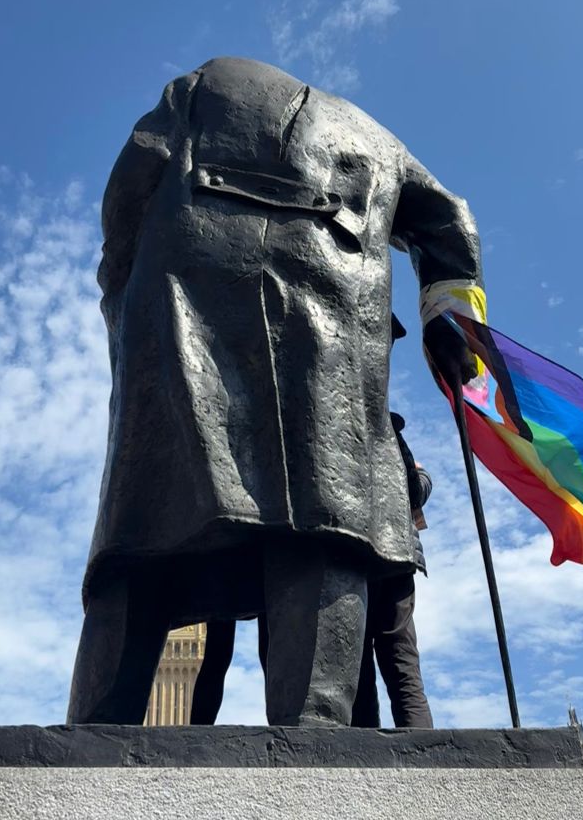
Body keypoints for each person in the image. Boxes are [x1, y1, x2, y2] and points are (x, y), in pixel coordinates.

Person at [66, 56, 481, 728]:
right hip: (332, 307)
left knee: (148, 503)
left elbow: (131, 185)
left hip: (183, 287)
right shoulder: (380, 141)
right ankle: (314, 728)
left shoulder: (202, 86)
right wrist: (449, 319)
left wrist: (123, 295)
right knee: (326, 510)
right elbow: (450, 225)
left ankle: (95, 727)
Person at [352, 413, 434, 728]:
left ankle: (363, 761)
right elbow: (417, 489)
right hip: (394, 557)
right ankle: (421, 762)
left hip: (360, 558)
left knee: (360, 671)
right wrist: (418, 475)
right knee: (401, 667)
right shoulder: (393, 439)